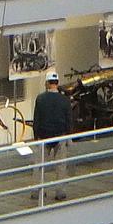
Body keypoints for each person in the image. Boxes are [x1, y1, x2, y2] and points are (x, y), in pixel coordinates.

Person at [31, 71, 73, 202]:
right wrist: (68, 136)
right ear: (57, 83)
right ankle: (60, 192)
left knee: (40, 165)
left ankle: (37, 191)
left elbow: (36, 120)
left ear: (47, 83)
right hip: (60, 136)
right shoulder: (65, 100)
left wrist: (36, 136)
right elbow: (69, 120)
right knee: (61, 166)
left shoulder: (40, 99)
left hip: (44, 136)